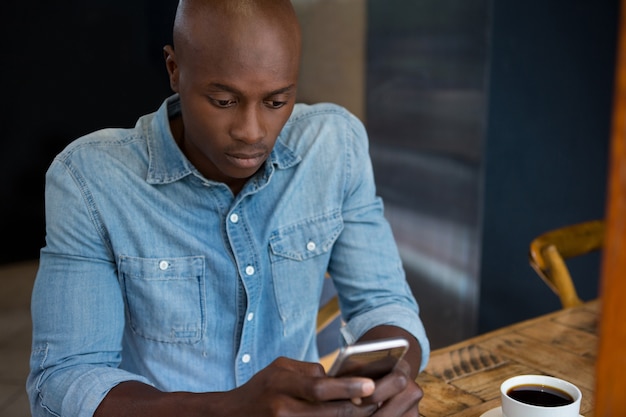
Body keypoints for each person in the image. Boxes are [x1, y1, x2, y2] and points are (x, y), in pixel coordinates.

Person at [27, 0, 430, 416]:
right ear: (174, 70)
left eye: (276, 102)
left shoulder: (334, 146)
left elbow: (383, 304)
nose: (251, 132)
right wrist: (232, 408)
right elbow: (63, 380)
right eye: (223, 100)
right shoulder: (90, 179)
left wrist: (387, 382)